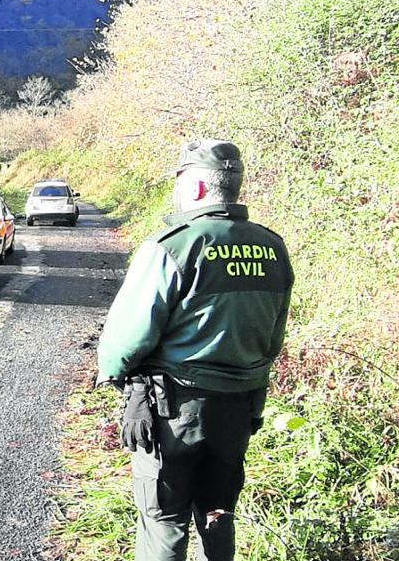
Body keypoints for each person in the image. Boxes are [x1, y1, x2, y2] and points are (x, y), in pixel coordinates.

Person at [95, 139, 294, 560]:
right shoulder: (272, 248)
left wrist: (114, 376)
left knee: (164, 523)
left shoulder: (173, 246)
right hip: (239, 410)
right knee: (218, 515)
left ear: (198, 188)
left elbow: (125, 341)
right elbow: (274, 338)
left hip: (174, 412)